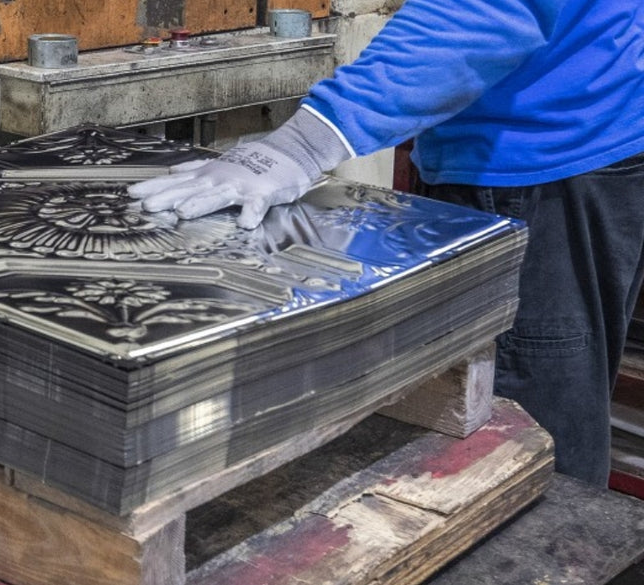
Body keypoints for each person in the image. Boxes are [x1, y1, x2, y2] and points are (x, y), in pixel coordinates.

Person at [129, 0, 644, 486]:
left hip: (541, 162)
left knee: (525, 430)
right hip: (596, 124)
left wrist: (301, 145)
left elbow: (479, 14)